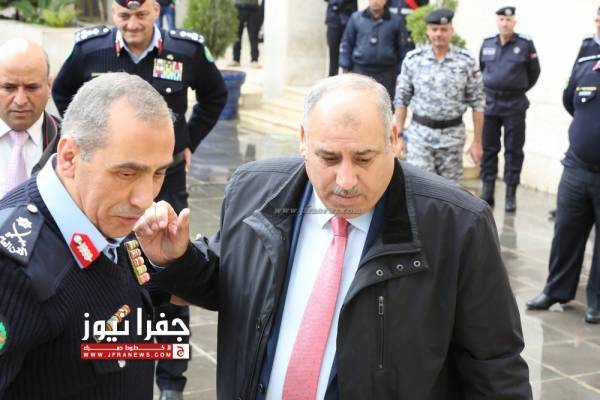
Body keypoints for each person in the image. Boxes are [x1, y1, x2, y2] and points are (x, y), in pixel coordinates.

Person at [134, 74, 531, 399]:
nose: (346, 180)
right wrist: (177, 260)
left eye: (363, 158)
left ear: (393, 139)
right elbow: (234, 281)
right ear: (303, 139)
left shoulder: (458, 225)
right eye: (328, 158)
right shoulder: (253, 189)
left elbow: (495, 367)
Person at [51, 1, 227, 397]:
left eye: (141, 15)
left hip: (166, 178)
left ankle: (170, 378)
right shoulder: (90, 50)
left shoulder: (185, 51)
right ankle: (114, 357)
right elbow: (62, 91)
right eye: (124, 15)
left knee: (169, 267)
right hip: (110, 181)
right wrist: (89, 144)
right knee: (113, 267)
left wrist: (188, 140)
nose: (132, 24)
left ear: (157, 11)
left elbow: (215, 95)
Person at [0, 73, 175, 398]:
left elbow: (112, 288)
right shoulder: (11, 269)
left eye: (159, 172)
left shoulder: (106, 213)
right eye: (126, 173)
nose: (145, 198)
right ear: (69, 157)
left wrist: (168, 264)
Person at [526, 51, 600, 324]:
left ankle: (597, 302)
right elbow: (570, 102)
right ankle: (556, 290)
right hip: (576, 167)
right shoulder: (585, 66)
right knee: (566, 231)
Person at [394, 8, 484, 183]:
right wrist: (398, 137)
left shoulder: (466, 61)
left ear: (451, 31)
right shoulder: (413, 60)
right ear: (427, 31)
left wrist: (477, 142)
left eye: (443, 29)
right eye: (434, 29)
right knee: (419, 188)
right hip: (420, 138)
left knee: (450, 192)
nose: (438, 34)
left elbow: (478, 104)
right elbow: (401, 100)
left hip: (452, 139)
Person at [478, 6, 540, 212]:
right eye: (502, 20)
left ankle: (510, 194)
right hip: (491, 103)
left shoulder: (525, 44)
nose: (505, 23)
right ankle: (487, 190)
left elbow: (534, 73)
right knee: (489, 148)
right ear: (497, 22)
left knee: (513, 150)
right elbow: (483, 69)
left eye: (509, 20)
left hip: (514, 104)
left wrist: (517, 88)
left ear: (514, 22)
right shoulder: (487, 43)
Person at [0, 39, 60, 198]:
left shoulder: (69, 141)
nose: (20, 101)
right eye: (9, 87)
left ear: (49, 86)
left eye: (31, 87)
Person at [339, 0, 412, 100]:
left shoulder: (396, 20)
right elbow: (347, 43)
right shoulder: (356, 18)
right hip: (360, 71)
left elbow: (403, 49)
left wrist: (400, 74)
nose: (376, 1)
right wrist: (345, 66)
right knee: (359, 102)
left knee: (384, 104)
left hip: (387, 73)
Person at [324, 0, 358, 76]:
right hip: (333, 18)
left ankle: (349, 78)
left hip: (349, 14)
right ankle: (332, 78)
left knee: (350, 51)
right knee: (333, 52)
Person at [231, 0, 262, 68]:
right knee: (236, 35)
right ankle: (236, 59)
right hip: (238, 7)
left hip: (253, 8)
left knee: (253, 35)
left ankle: (254, 60)